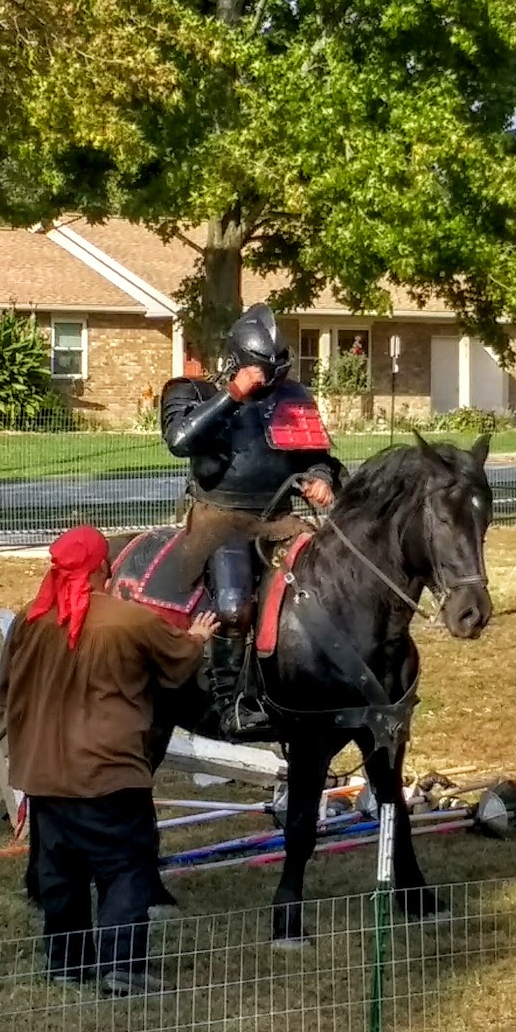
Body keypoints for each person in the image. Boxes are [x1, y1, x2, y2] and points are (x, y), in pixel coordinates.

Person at [0, 525, 219, 993]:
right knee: (125, 867)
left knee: (62, 872)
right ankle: (122, 968)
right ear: (104, 567)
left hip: (44, 774)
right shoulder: (130, 620)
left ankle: (66, 963)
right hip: (109, 771)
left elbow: (6, 692)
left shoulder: (29, 620)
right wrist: (197, 638)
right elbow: (177, 666)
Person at [158, 303, 343, 740]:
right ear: (239, 360)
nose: (270, 382)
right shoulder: (189, 391)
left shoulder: (294, 398)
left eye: (277, 372)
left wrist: (319, 477)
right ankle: (228, 702)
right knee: (234, 605)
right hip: (219, 515)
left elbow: (318, 456)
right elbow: (180, 441)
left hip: (278, 516)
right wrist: (232, 396)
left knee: (325, 587)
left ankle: (304, 682)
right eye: (263, 371)